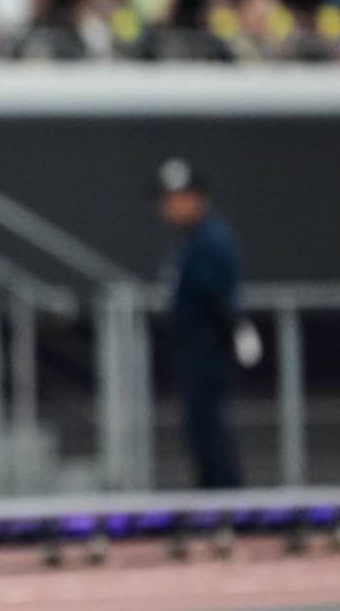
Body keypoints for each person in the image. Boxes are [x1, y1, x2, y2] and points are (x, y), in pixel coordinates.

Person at [155, 158, 243, 489]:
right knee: (198, 428)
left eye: (177, 199)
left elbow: (218, 299)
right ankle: (213, 494)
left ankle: (227, 500)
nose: (169, 208)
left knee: (210, 426)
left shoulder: (211, 239)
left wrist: (230, 337)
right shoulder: (189, 241)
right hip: (192, 348)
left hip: (208, 348)